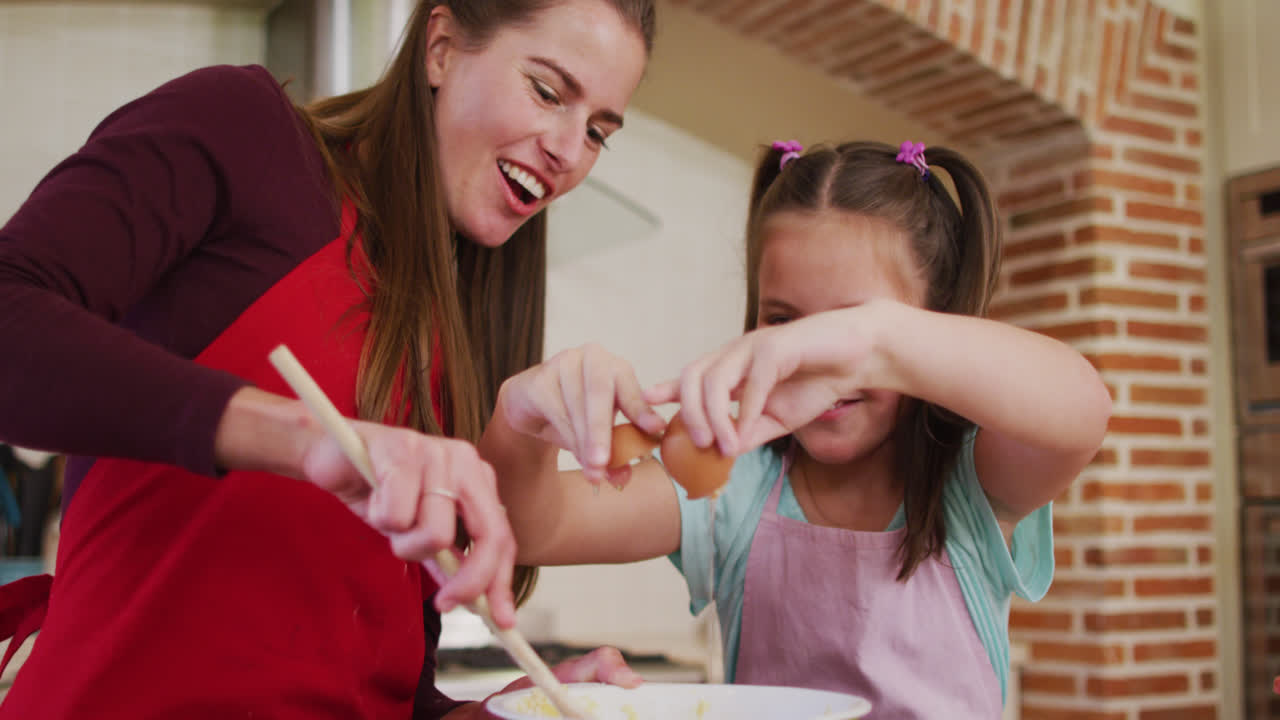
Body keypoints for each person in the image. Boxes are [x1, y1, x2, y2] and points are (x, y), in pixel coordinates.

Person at [0, 0, 655, 717]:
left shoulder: (462, 331)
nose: (568, 150)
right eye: (548, 91)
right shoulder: (244, 131)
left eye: (597, 131)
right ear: (439, 47)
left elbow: (381, 683)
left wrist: (498, 712)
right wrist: (306, 439)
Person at [493, 140, 1112, 718]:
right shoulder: (733, 489)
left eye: (844, 330)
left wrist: (872, 342)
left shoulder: (971, 484)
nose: (810, 358)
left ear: (928, 328)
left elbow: (1081, 409)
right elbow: (534, 526)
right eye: (784, 322)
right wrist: (519, 419)